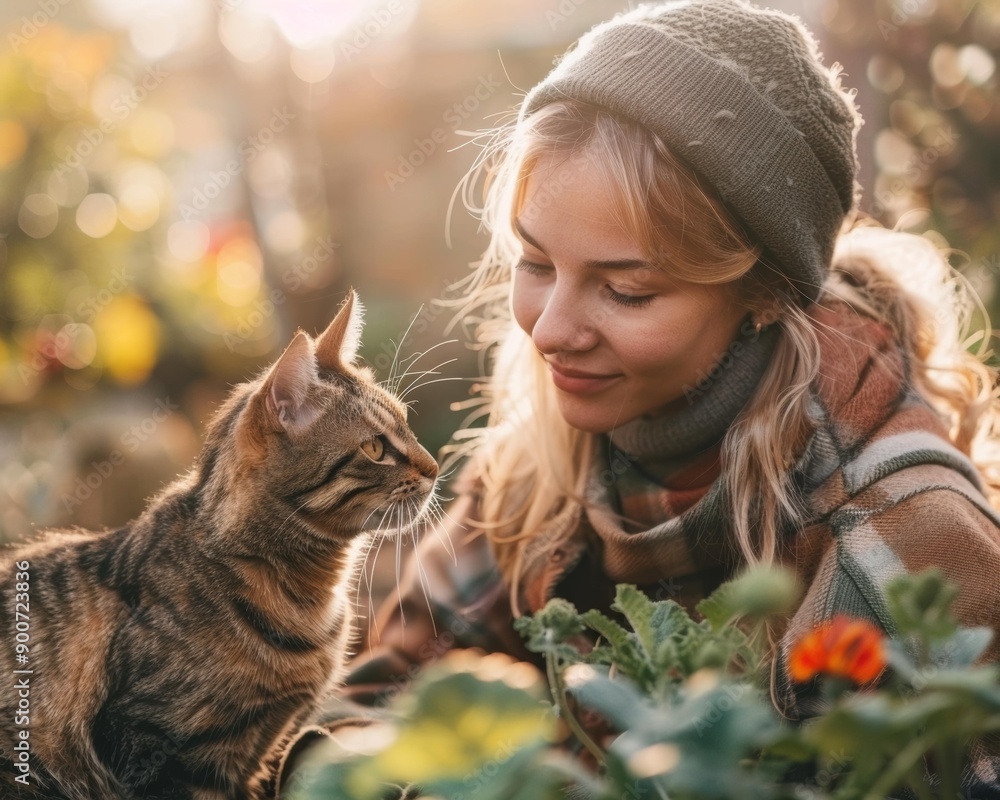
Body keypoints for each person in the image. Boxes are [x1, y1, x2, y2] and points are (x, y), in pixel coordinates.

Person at [276, 0, 1000, 795]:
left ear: (761, 295)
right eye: (537, 263)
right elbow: (379, 702)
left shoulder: (911, 548)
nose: (549, 332)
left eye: (624, 290)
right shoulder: (541, 458)